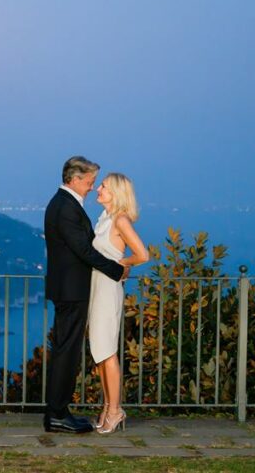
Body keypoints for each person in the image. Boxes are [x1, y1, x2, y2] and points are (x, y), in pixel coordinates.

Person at [43, 156, 130, 433]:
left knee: (65, 350)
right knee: (66, 352)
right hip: (71, 291)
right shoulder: (66, 207)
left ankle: (59, 412)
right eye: (91, 182)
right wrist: (116, 270)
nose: (92, 188)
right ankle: (57, 414)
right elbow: (84, 250)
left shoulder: (64, 204)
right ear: (75, 179)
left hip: (69, 289)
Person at [89, 172, 149, 434]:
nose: (97, 189)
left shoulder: (120, 219)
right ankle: (107, 406)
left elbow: (142, 254)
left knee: (107, 351)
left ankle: (115, 410)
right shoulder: (105, 218)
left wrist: (120, 264)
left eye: (103, 186)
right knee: (99, 351)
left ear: (116, 192)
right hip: (97, 286)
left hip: (107, 288)